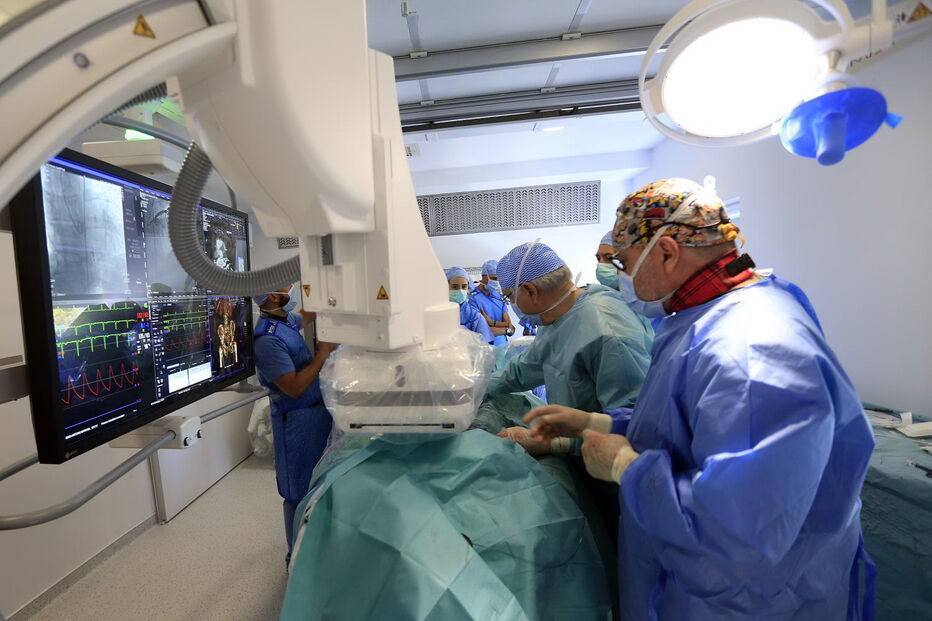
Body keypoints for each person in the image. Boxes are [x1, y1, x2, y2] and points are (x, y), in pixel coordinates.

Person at [524, 178, 876, 619]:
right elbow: (690, 429)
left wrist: (626, 467)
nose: (621, 277)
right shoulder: (705, 318)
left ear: (667, 252)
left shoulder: (750, 349)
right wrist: (600, 425)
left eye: (624, 261)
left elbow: (742, 530)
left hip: (747, 603)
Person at [488, 241, 653, 451]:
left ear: (531, 290)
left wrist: (561, 444)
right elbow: (523, 370)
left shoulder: (608, 333)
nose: (511, 304)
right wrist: (476, 388)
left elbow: (635, 427)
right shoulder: (557, 315)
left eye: (509, 296)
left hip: (612, 471)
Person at [253, 285, 337, 564]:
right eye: (287, 288)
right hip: (296, 421)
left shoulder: (283, 320)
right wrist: (323, 354)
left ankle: (318, 553)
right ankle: (297, 560)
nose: (293, 291)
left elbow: (308, 313)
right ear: (274, 298)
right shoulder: (267, 340)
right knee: (298, 491)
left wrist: (336, 293)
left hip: (316, 413)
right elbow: (294, 387)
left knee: (319, 483)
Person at [469, 259, 514, 346]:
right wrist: (505, 329)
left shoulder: (498, 297)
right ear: (483, 276)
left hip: (504, 345)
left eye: (498, 279)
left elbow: (510, 325)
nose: (496, 282)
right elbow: (481, 330)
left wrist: (492, 322)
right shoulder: (473, 298)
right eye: (494, 278)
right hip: (485, 347)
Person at [446, 266, 493, 343]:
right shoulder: (439, 313)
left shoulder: (475, 317)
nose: (460, 291)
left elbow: (485, 347)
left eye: (464, 287)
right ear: (446, 287)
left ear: (468, 289)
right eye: (454, 287)